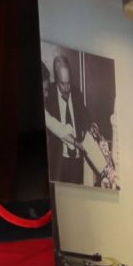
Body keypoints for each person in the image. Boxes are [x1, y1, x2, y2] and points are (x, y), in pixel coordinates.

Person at [44, 55, 89, 185]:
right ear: (56, 79)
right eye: (63, 84)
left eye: (69, 83)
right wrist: (75, 142)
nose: (67, 88)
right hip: (58, 161)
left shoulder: (77, 93)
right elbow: (54, 126)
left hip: (77, 161)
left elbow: (86, 117)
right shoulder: (49, 94)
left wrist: (91, 126)